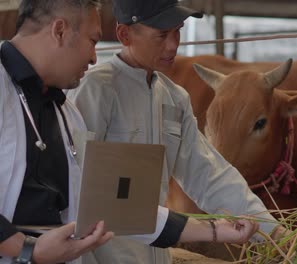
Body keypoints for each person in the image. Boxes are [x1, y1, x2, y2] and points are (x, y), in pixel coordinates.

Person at [0, 0, 259, 263]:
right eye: (92, 40)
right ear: (59, 31)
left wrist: (217, 230)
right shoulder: (90, 91)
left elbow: (115, 202)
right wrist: (25, 248)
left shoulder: (65, 112)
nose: (93, 57)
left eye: (177, 31)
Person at [67, 0, 287, 263]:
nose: (173, 45)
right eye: (161, 35)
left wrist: (273, 231)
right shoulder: (96, 90)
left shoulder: (174, 98)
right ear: (125, 34)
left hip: (158, 253)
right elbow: (79, 188)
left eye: (177, 31)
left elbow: (210, 174)